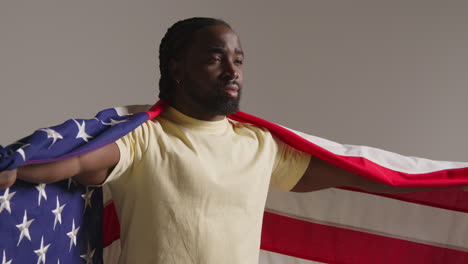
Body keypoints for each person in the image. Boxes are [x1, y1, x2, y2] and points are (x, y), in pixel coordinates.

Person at [0, 17, 456, 263]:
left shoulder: (260, 146)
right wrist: (18, 169)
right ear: (177, 67)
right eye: (215, 58)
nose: (232, 70)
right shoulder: (147, 139)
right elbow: (79, 162)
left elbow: (359, 174)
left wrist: (422, 183)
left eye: (238, 59)